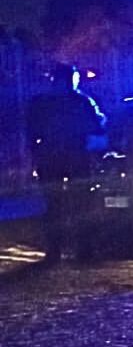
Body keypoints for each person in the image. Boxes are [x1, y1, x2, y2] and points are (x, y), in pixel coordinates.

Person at [26, 63, 106, 262]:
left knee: (53, 204)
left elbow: (31, 131)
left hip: (49, 157)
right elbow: (97, 127)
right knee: (81, 203)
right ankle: (84, 249)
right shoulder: (81, 101)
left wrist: (35, 154)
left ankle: (54, 251)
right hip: (76, 156)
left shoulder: (40, 102)